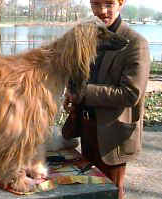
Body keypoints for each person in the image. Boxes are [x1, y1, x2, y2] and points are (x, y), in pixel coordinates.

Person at [62, 0, 151, 199]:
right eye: (96, 4)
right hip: (86, 129)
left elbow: (130, 94)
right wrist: (71, 91)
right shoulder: (87, 36)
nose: (102, 11)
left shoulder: (136, 43)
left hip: (113, 136)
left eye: (109, 4)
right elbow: (79, 75)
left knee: (111, 193)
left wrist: (83, 92)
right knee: (87, 189)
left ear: (121, 3)